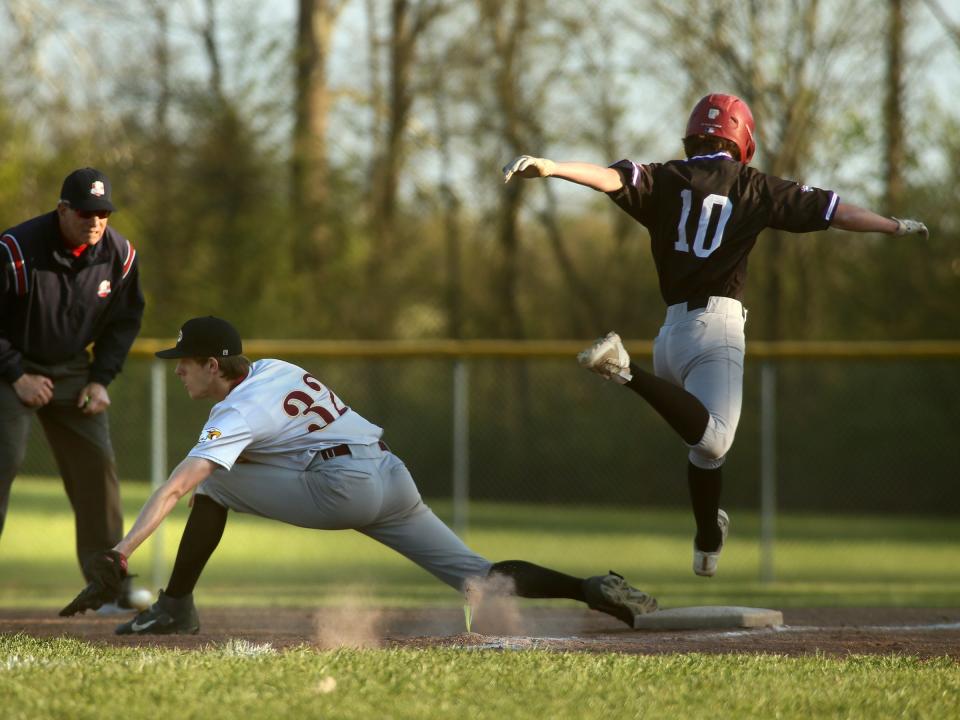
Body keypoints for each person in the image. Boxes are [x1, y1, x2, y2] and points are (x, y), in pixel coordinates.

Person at [502, 93, 930, 578]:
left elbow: (609, 178)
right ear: (743, 138)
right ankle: (624, 370)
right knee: (716, 442)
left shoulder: (665, 176)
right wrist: (892, 226)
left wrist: (553, 166)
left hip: (670, 337)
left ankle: (708, 539)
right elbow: (836, 212)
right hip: (716, 328)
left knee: (703, 453)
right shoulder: (754, 186)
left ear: (693, 136)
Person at [60, 316, 657, 634]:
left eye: (184, 365)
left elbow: (178, 486)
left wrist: (119, 553)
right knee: (479, 577)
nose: (178, 374)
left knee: (211, 481)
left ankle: (175, 607)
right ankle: (589, 588)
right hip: (390, 476)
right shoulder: (273, 367)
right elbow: (291, 436)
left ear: (213, 365)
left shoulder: (235, 409)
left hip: (339, 490)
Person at [1, 167, 145, 609]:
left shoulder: (118, 255)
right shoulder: (16, 250)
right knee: (2, 462)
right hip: (9, 368)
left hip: (72, 371)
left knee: (97, 471)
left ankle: (107, 588)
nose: (95, 221)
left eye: (102, 212)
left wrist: (101, 379)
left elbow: (125, 321)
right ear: (63, 209)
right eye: (85, 211)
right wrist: (16, 374)